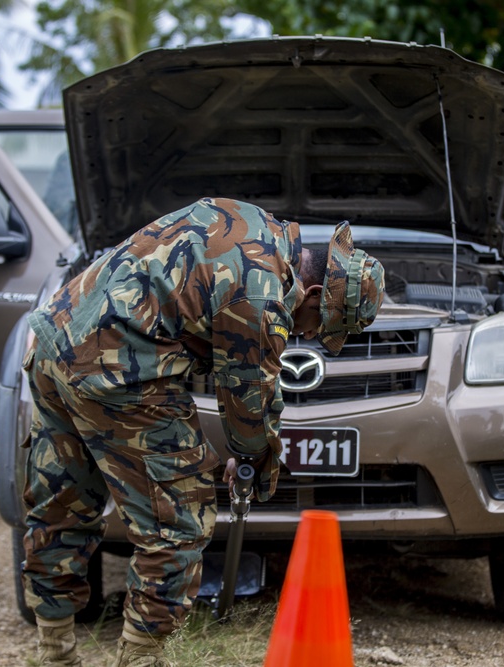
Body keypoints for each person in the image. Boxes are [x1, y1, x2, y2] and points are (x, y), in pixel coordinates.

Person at [23, 197, 384, 666]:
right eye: (318, 327)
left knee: (62, 500)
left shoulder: (255, 225)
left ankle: (53, 652)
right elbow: (249, 400)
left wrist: (247, 448)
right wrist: (255, 460)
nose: (308, 336)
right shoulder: (262, 293)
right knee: (180, 519)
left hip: (55, 340)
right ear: (313, 294)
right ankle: (141, 659)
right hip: (116, 371)